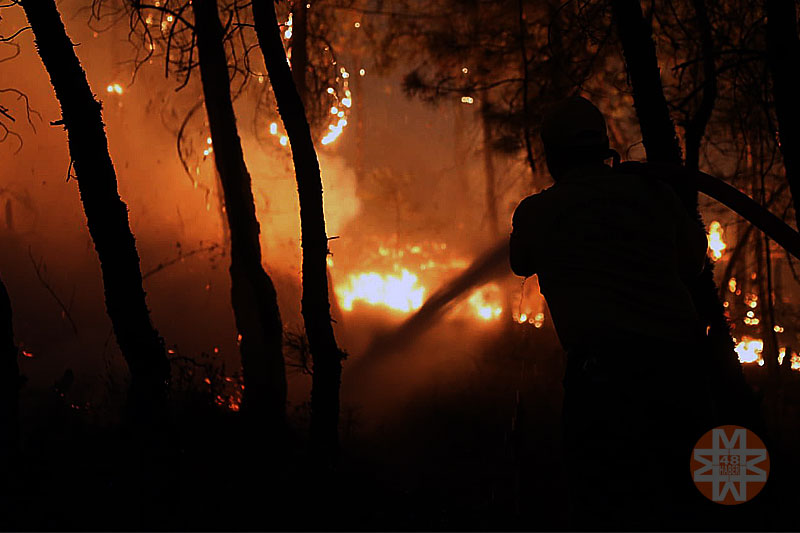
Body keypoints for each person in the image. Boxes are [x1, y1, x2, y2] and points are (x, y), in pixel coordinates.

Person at [509, 96, 715, 529]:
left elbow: (520, 261)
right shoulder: (654, 193)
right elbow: (693, 262)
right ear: (605, 146)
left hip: (603, 384)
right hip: (686, 374)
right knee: (699, 503)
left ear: (553, 155)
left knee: (609, 505)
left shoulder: (539, 212)